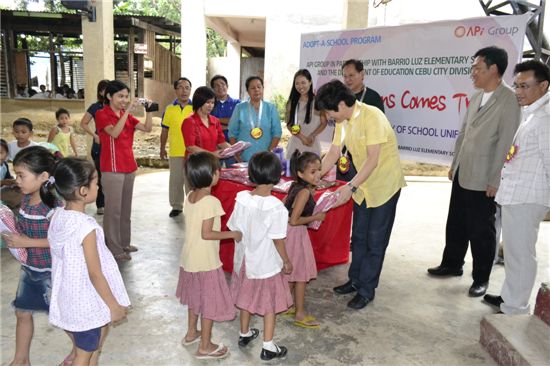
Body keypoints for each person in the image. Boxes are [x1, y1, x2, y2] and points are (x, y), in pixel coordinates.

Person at [427, 46, 521, 297]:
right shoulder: (476, 96)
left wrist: (495, 179)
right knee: (456, 221)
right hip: (463, 171)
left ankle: (481, 278)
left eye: (478, 68)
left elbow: (506, 143)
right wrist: (454, 165)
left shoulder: (509, 100)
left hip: (484, 177)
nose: (473, 73)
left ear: (493, 69)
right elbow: (463, 135)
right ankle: (452, 263)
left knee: (481, 230)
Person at [316, 80, 406, 310]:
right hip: (363, 186)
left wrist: (350, 187)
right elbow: (335, 152)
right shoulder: (343, 122)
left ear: (342, 103)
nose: (328, 116)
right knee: (359, 237)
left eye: (328, 111)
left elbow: (373, 159)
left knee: (375, 240)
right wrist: (316, 175)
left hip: (383, 185)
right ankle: (355, 280)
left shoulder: (372, 116)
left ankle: (367, 289)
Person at [45, 157, 130, 364]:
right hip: (85, 304)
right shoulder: (86, 227)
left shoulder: (57, 216)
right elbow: (95, 273)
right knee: (83, 354)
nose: (98, 185)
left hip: (70, 298)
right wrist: (114, 306)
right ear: (83, 191)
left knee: (92, 349)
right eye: (95, 182)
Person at [483, 60, 550, 314]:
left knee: (521, 255)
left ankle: (516, 307)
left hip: (528, 197)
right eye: (516, 85)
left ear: (543, 85)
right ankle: (510, 298)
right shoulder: (532, 112)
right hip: (516, 194)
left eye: (525, 85)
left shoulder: (545, 118)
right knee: (512, 252)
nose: (519, 91)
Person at [2, 146, 70, 366]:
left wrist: (27, 242)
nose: (17, 180)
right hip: (31, 270)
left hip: (52, 273)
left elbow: (62, 241)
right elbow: (24, 231)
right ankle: (20, 360)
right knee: (22, 313)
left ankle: (84, 350)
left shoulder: (53, 207)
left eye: (21, 175)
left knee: (65, 319)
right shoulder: (25, 199)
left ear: (43, 177)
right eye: (15, 175)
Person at [227, 151, 293, 361]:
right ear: (278, 175)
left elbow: (235, 230)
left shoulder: (242, 199)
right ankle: (268, 346)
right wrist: (286, 261)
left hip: (245, 260)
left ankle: (244, 333)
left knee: (246, 298)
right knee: (269, 304)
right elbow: (277, 240)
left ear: (251, 174)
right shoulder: (276, 208)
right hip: (265, 265)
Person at [175, 152, 241, 359]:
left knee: (195, 298)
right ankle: (205, 345)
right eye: (216, 170)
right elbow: (207, 233)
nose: (219, 172)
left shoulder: (189, 196)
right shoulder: (211, 202)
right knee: (209, 303)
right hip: (206, 261)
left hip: (189, 258)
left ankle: (191, 333)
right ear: (208, 175)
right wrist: (233, 234)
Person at [95, 80, 153, 261]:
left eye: (126, 96)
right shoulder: (102, 114)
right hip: (112, 168)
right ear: (109, 96)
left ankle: (124, 242)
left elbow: (147, 128)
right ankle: (113, 247)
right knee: (113, 210)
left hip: (128, 166)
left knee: (125, 208)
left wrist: (149, 111)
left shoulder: (125, 115)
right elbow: (114, 133)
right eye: (120, 96)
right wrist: (127, 110)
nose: (124, 100)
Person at [283, 150, 326, 328]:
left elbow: (287, 207)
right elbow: (294, 220)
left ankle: (285, 305)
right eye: (313, 172)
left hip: (288, 233)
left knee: (292, 273)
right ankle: (299, 314)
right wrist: (315, 217)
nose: (317, 175)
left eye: (319, 170)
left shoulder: (295, 186)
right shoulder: (304, 193)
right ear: (301, 174)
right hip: (295, 233)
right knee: (301, 276)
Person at [338, 59, 385, 182]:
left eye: (351, 75)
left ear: (362, 74)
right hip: (345, 158)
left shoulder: (373, 98)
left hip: (367, 158)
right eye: (345, 76)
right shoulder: (340, 97)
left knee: (362, 196)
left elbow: (379, 130)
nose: (347, 80)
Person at [160, 77, 193, 218]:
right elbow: (164, 130)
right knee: (176, 180)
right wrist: (162, 148)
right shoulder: (169, 109)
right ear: (175, 90)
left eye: (187, 88)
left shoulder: (196, 107)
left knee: (191, 180)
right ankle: (176, 206)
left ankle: (193, 205)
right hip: (175, 151)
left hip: (193, 151)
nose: (184, 91)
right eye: (180, 87)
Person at [228, 76, 282, 162]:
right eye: (252, 88)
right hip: (244, 157)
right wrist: (237, 152)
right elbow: (232, 132)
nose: (256, 90)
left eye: (259, 87)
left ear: (263, 89)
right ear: (248, 91)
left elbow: (277, 132)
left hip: (266, 156)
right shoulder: (240, 108)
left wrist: (270, 152)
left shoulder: (270, 108)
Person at [80, 79, 110, 215]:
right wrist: (94, 135)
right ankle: (100, 204)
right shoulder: (96, 107)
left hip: (113, 147)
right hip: (99, 147)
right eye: (106, 89)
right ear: (101, 92)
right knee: (101, 176)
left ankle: (112, 203)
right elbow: (84, 123)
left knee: (111, 177)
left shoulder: (115, 106)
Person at [284, 69, 327, 159]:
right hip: (295, 146)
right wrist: (302, 137)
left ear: (310, 82)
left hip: (313, 144)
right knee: (293, 172)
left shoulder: (318, 101)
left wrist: (312, 135)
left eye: (303, 82)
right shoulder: (292, 102)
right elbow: (289, 124)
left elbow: (324, 122)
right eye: (297, 83)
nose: (300, 86)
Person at [182, 86, 230, 158]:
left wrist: (233, 149)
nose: (211, 106)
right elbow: (190, 147)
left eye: (213, 102)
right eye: (208, 102)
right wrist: (212, 154)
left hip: (212, 163)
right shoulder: (189, 122)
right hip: (196, 164)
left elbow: (221, 142)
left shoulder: (215, 121)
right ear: (199, 102)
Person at [210, 75, 241, 142]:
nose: (220, 87)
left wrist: (215, 120)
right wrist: (230, 126)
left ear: (227, 86)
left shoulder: (237, 103)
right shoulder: (210, 104)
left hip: (234, 142)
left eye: (222, 84)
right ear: (213, 89)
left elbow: (238, 122)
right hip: (214, 143)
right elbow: (208, 123)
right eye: (217, 85)